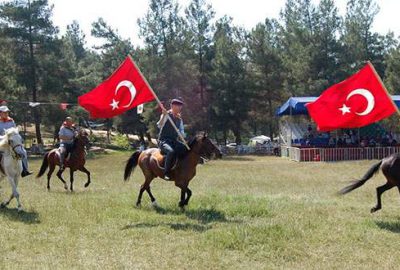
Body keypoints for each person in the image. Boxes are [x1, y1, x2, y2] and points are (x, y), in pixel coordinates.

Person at [157, 98, 186, 180]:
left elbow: (182, 132)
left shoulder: (179, 119)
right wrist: (163, 116)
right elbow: (159, 125)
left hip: (174, 141)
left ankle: (180, 169)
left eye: (180, 107)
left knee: (185, 149)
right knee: (171, 151)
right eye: (178, 106)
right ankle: (166, 173)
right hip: (163, 140)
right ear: (172, 106)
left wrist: (181, 134)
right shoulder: (166, 115)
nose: (180, 108)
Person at [0, 105, 32, 177]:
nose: (6, 114)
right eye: (4, 112)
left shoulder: (11, 121)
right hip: (2, 142)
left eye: (7, 112)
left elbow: (15, 131)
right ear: (0, 113)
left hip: (12, 143)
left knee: (23, 152)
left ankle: (25, 170)